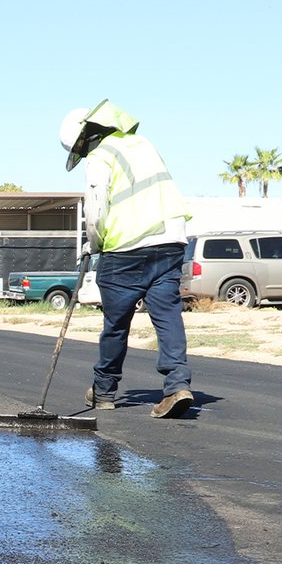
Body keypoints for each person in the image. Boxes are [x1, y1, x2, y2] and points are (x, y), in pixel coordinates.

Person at [60, 100, 194, 419]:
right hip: (170, 241)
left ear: (85, 139)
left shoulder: (101, 156)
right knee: (167, 316)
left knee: (116, 324)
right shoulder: (143, 144)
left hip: (126, 250)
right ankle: (177, 386)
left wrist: (93, 244)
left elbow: (95, 209)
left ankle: (104, 391)